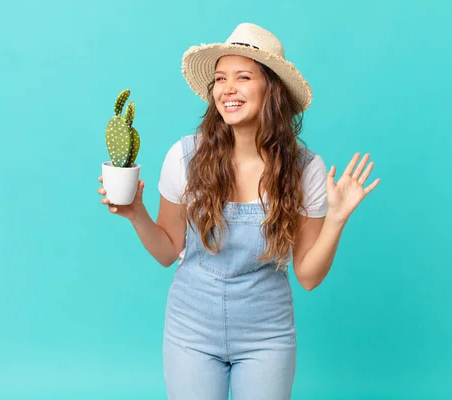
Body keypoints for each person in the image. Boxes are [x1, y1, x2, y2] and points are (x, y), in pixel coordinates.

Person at [97, 22, 380, 400]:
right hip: (191, 331)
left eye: (242, 77)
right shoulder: (184, 157)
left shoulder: (305, 169)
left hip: (267, 335)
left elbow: (308, 276)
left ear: (271, 89)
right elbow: (168, 251)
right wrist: (135, 212)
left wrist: (337, 218)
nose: (227, 89)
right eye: (220, 79)